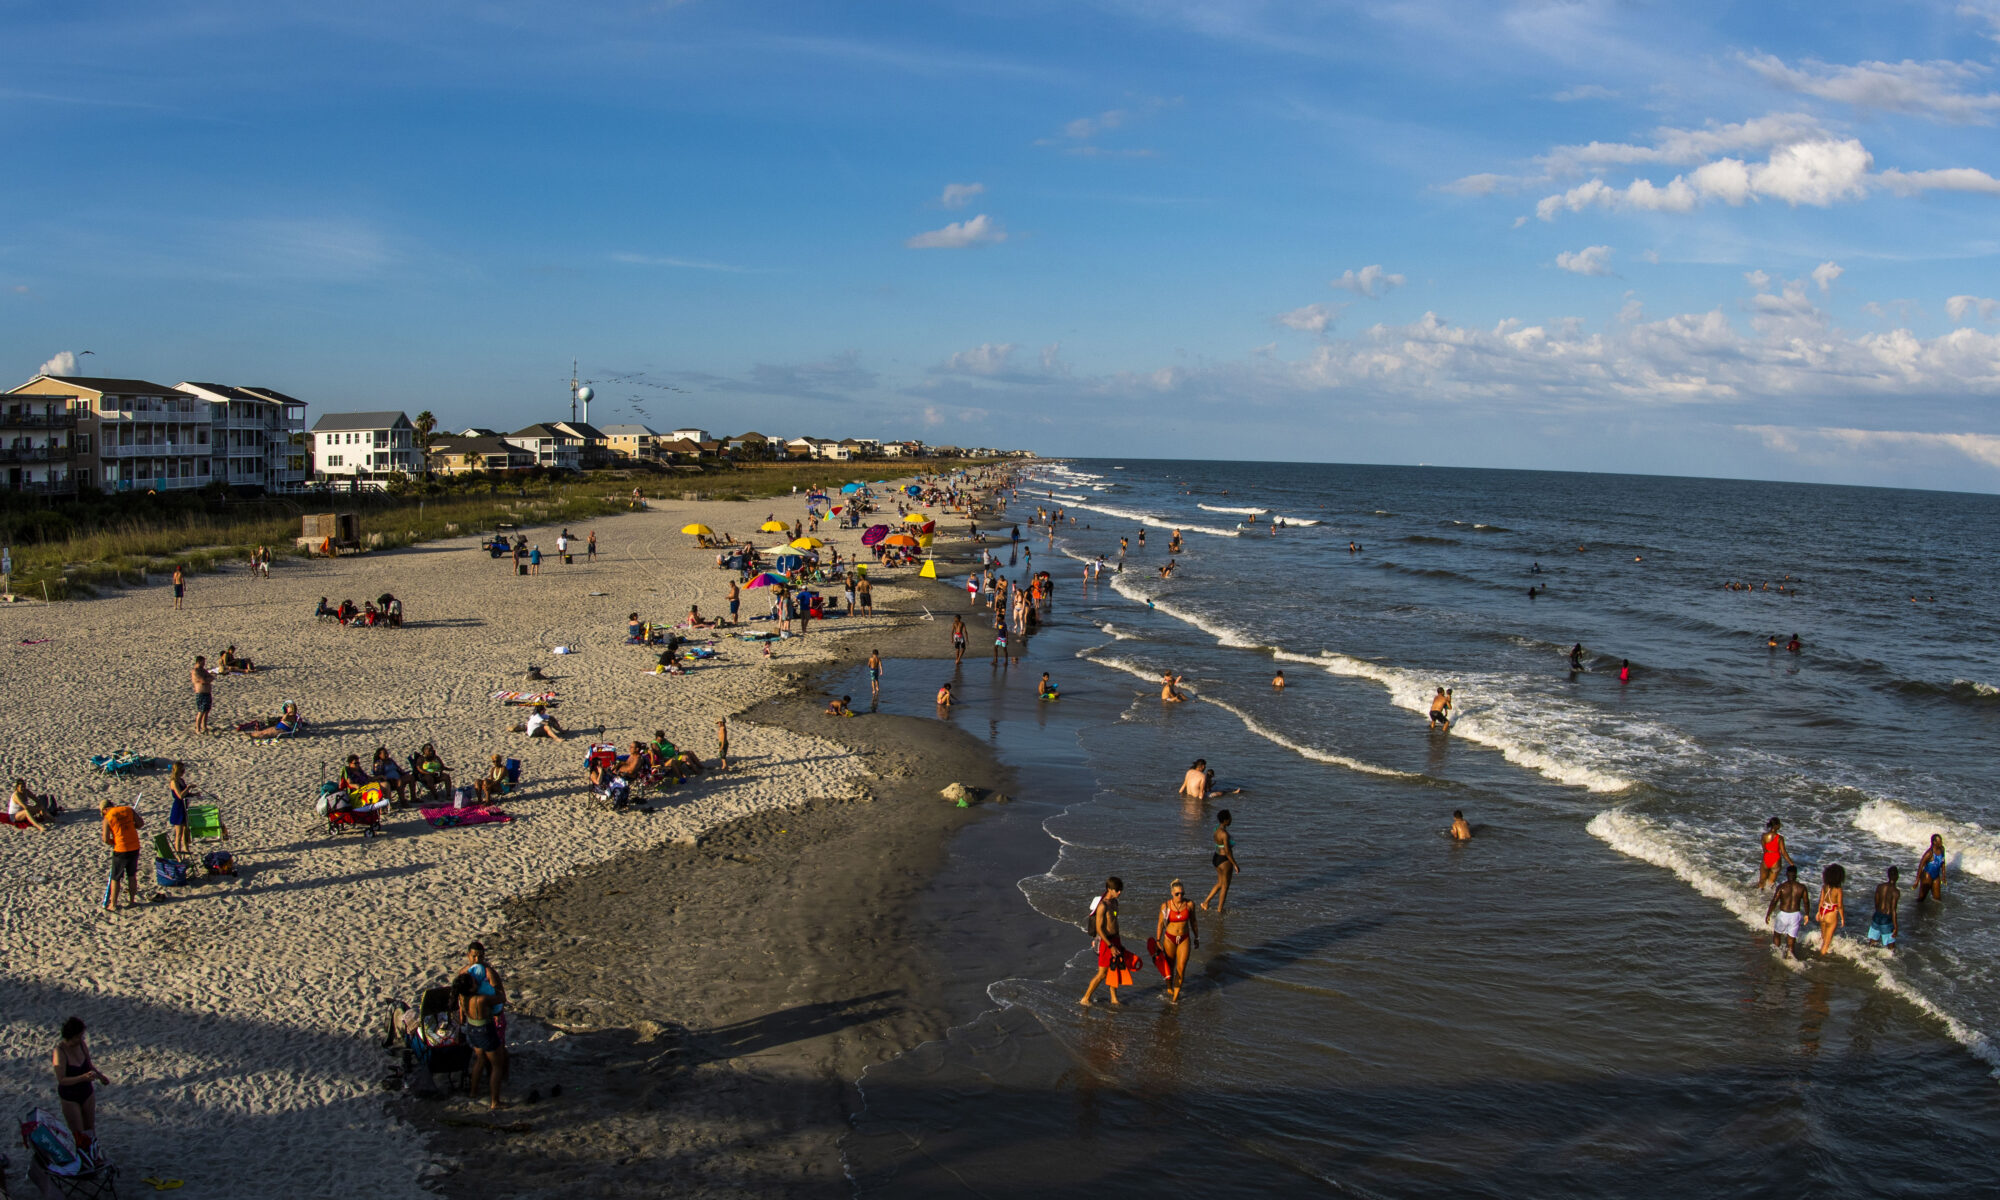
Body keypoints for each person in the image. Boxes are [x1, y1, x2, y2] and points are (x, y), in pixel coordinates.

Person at [53, 1016, 109, 1155]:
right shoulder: (60, 1051)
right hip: (70, 1096)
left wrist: (101, 1076)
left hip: (86, 1091)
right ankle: (83, 1159)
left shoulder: (82, 1045)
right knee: (79, 1134)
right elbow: (62, 1080)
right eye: (78, 1036)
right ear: (71, 1036)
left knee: (90, 1129)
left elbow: (89, 1065)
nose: (81, 1039)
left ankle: (94, 1156)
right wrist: (83, 1077)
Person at [453, 972, 507, 1110]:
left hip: (472, 1030)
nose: (477, 982)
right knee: (497, 1066)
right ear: (471, 988)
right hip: (485, 1031)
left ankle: (473, 1092)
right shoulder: (481, 999)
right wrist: (495, 981)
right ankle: (495, 1101)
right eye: (474, 982)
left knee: (480, 1060)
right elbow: (501, 997)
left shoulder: (462, 996)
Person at [1079, 876, 1130, 1007]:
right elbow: (1099, 929)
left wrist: (1119, 943)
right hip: (1106, 942)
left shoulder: (1115, 903)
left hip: (1115, 939)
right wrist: (1111, 945)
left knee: (1114, 970)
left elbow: (1114, 923)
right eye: (1117, 890)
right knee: (1102, 973)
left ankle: (1114, 998)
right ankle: (1085, 998)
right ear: (1109, 889)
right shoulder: (1103, 906)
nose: (1120, 892)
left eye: (1120, 890)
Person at [1154, 880, 1199, 1004]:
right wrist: (1157, 940)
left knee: (1181, 968)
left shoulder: (1189, 904)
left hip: (1184, 939)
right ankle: (1169, 987)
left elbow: (1193, 922)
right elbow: (1160, 924)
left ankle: (1175, 998)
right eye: (1177, 894)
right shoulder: (1166, 906)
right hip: (1169, 939)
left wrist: (1196, 937)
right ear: (1172, 893)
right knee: (1170, 966)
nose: (1180, 896)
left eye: (1182, 893)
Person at [100, 796, 143, 911]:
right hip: (134, 846)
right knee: (131, 875)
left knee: (116, 877)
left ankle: (113, 904)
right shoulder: (128, 809)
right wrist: (130, 827)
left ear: (104, 810)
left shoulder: (108, 817)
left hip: (121, 849)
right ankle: (132, 901)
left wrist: (112, 842)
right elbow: (140, 823)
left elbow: (105, 839)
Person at [1766, 865, 1809, 955]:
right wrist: (1807, 914)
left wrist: (1768, 914)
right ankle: (1790, 958)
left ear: (1786, 874)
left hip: (1783, 915)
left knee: (1777, 935)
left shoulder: (1782, 887)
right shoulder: (1802, 887)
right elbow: (1806, 902)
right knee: (1791, 940)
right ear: (1796, 875)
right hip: (1796, 915)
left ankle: (1777, 954)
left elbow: (1774, 901)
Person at [1202, 809, 1238, 912]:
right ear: (1225, 820)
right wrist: (1235, 864)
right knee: (1225, 886)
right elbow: (1227, 852)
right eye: (1230, 818)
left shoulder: (1216, 829)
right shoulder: (1224, 834)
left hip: (1216, 857)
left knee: (1220, 883)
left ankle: (1206, 902)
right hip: (1224, 860)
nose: (1231, 819)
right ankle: (1219, 910)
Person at [1815, 863, 1846, 955]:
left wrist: (1818, 912)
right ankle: (1820, 959)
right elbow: (1840, 905)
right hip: (1831, 913)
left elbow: (1821, 901)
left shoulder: (1825, 886)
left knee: (1824, 937)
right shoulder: (1838, 889)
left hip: (1822, 912)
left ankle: (1821, 952)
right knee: (1826, 943)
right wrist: (1842, 918)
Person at [1867, 867, 1900, 949]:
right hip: (1886, 919)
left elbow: (1876, 902)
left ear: (1888, 875)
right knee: (1891, 947)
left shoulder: (1880, 887)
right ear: (1897, 876)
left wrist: (1877, 914)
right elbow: (1893, 910)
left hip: (1877, 916)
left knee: (1872, 942)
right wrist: (1896, 927)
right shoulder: (1895, 891)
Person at [1756, 817, 1793, 889]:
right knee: (1770, 884)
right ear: (1776, 826)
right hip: (1775, 859)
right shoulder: (1780, 838)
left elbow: (1764, 849)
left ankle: (1757, 896)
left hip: (1766, 858)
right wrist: (1791, 863)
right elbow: (1783, 852)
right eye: (1779, 824)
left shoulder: (1764, 836)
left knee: (1761, 882)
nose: (1780, 825)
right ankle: (1766, 899)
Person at [168, 761, 195, 853]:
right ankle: (178, 852)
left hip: (184, 806)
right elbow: (180, 795)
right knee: (179, 833)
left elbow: (186, 794)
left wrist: (193, 794)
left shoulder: (181, 780)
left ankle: (186, 849)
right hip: (178, 807)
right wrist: (188, 787)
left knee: (185, 831)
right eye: (182, 770)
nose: (184, 772)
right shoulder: (174, 782)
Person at [1915, 834, 1947, 902]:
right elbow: (1921, 866)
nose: (1941, 843)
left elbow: (1943, 862)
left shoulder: (1942, 849)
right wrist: (1917, 881)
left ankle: (1935, 912)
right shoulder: (1929, 853)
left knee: (1937, 899)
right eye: (1940, 841)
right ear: (1934, 842)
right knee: (1922, 898)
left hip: (1936, 876)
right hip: (1927, 875)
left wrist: (1943, 876)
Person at [191, 655, 215, 735]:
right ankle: (197, 728)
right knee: (201, 711)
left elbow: (211, 677)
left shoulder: (203, 670)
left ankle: (204, 726)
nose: (204, 664)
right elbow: (203, 680)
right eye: (203, 662)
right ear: (199, 661)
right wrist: (207, 679)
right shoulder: (196, 671)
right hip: (201, 693)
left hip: (207, 692)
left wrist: (208, 679)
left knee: (206, 710)